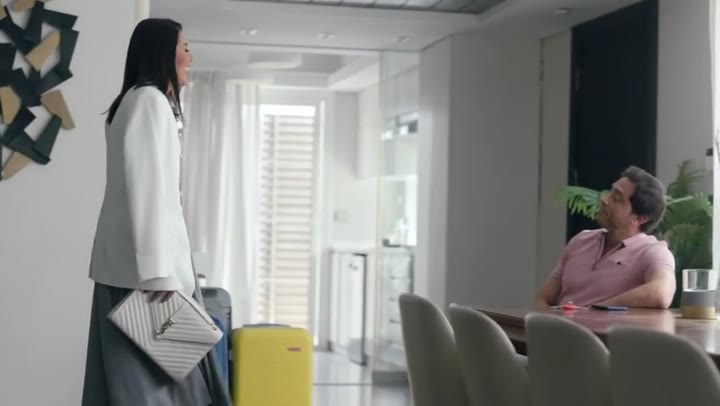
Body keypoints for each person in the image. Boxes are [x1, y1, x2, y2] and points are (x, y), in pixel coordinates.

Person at [82, 19, 231, 406]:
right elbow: (146, 192)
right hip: (147, 279)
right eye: (184, 47)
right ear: (162, 53)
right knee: (167, 392)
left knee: (131, 388)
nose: (190, 57)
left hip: (132, 273)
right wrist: (159, 274)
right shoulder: (149, 102)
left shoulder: (134, 102)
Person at [535, 166, 676, 309]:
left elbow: (661, 293)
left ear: (639, 219)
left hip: (599, 324)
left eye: (616, 198)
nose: (604, 199)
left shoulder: (653, 252)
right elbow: (542, 299)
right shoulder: (580, 240)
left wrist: (592, 310)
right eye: (610, 192)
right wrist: (547, 319)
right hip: (558, 322)